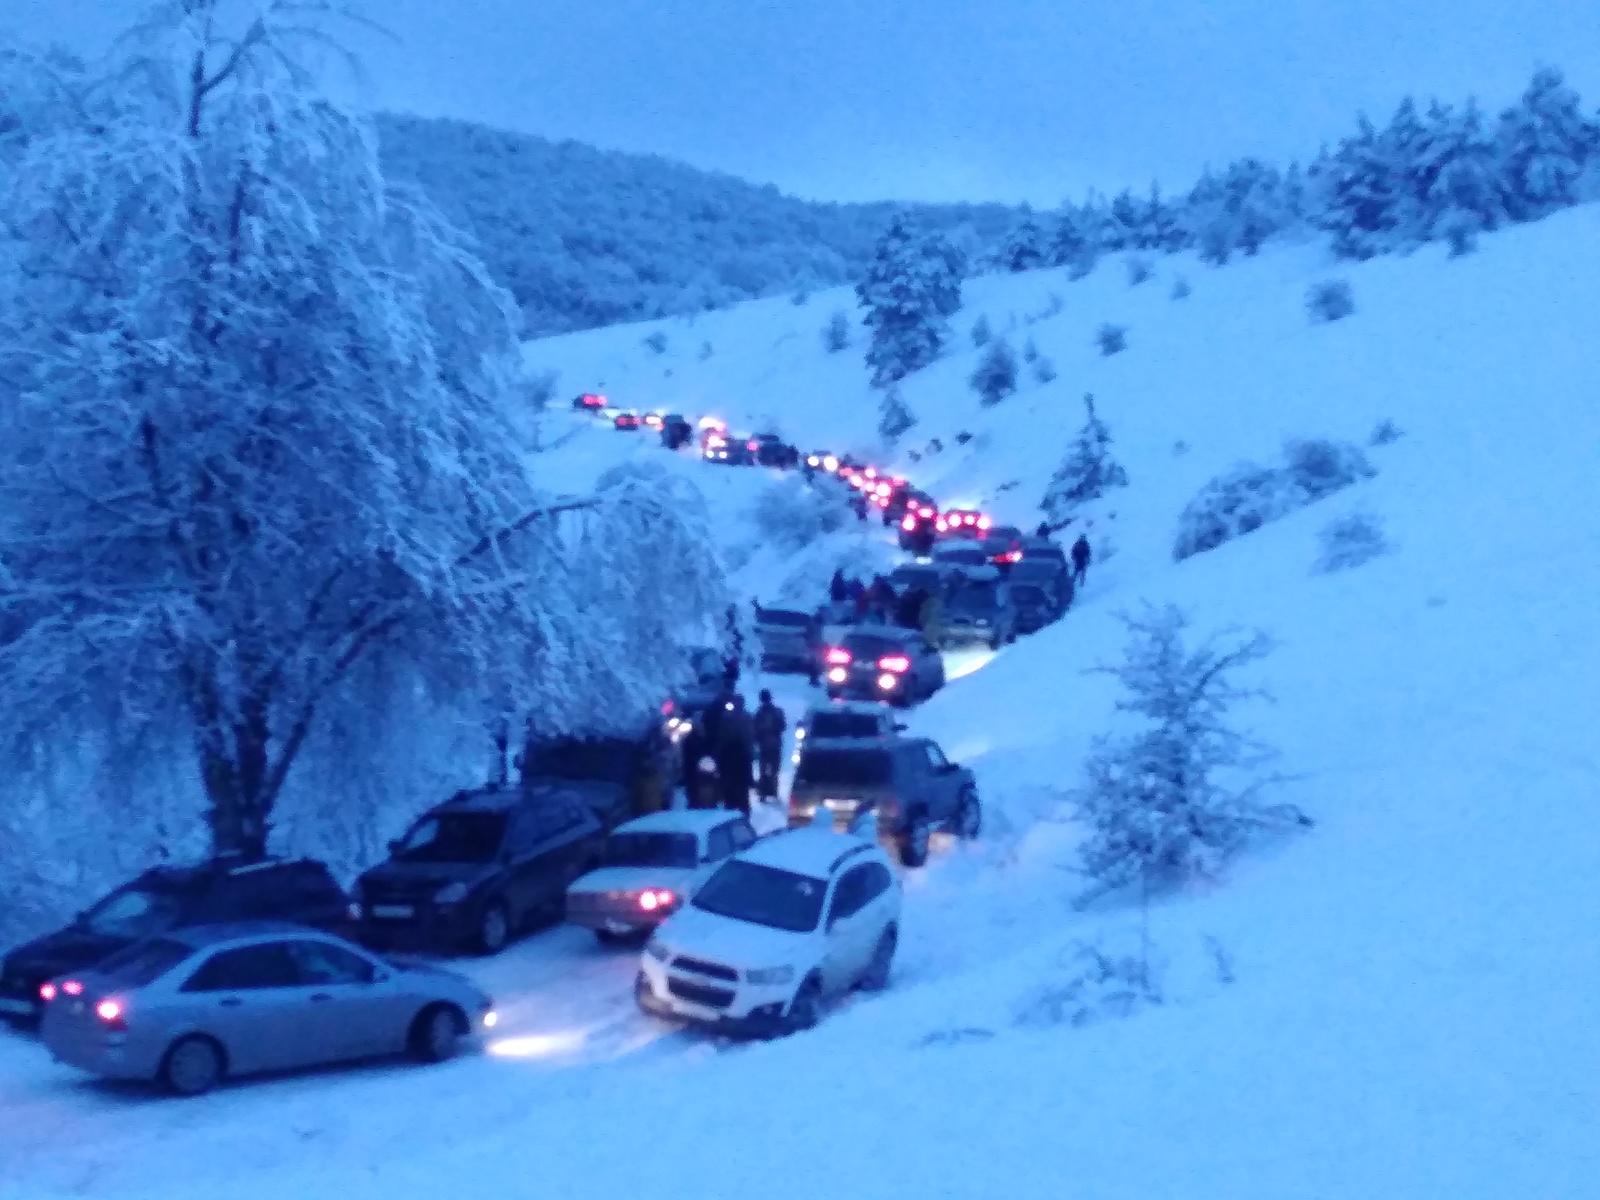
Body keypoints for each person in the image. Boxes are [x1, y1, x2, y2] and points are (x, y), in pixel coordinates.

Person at [715, 693, 755, 815]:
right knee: (739, 789)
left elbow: (721, 736)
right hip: (737, 754)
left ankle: (734, 810)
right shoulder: (743, 717)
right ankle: (740, 811)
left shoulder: (728, 717)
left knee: (733, 789)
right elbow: (750, 735)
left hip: (732, 754)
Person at [753, 690, 787, 802]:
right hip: (773, 744)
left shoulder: (759, 713)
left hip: (766, 745)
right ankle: (772, 791)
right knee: (772, 769)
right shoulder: (777, 712)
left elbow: (755, 729)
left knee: (766, 769)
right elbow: (782, 726)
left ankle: (765, 792)